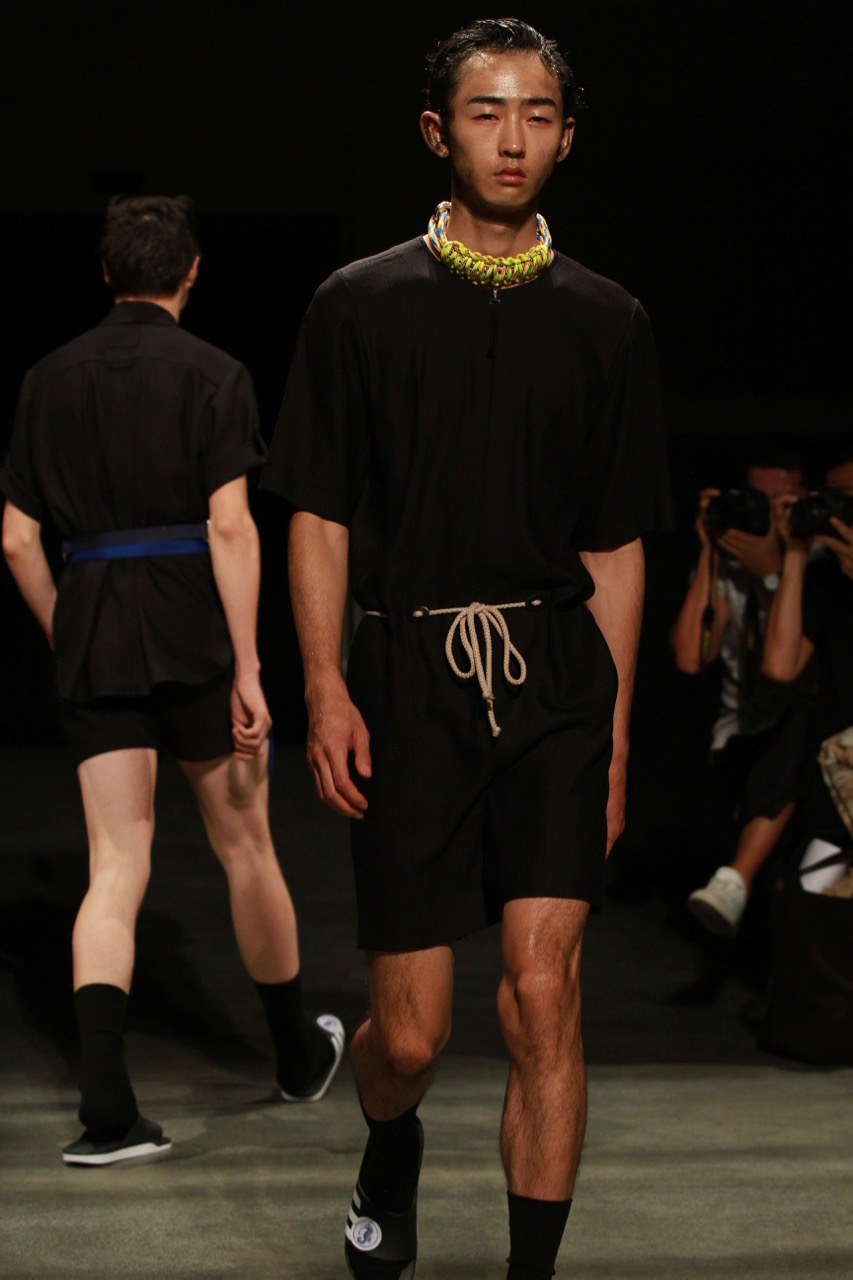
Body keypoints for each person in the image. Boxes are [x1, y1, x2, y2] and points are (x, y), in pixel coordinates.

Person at [262, 19, 671, 1280]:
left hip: (556, 677)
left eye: (538, 114)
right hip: (408, 677)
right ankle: (389, 1143)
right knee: (411, 1035)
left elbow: (615, 543)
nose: (513, 138)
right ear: (438, 131)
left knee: (545, 990)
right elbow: (317, 508)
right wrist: (325, 684)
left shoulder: (607, 319)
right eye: (488, 112)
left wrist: (613, 739)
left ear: (566, 135)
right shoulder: (360, 302)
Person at [0, 196, 344, 1167]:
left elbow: (17, 538)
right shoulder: (215, 372)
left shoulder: (46, 377)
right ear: (191, 273)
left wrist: (69, 629)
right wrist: (249, 665)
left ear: (107, 275)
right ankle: (295, 1058)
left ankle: (107, 1113)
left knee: (116, 866)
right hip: (194, 627)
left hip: (97, 628)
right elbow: (231, 525)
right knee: (246, 846)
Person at [669, 452, 815, 936]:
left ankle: (737, 880)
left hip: (802, 735)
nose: (766, 512)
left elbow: (785, 669)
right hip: (739, 736)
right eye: (756, 499)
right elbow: (690, 656)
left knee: (796, 729)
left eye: (781, 502)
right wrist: (709, 549)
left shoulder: (818, 561)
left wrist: (778, 568)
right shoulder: (728, 569)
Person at [763, 454, 853, 841]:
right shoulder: (823, 576)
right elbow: (780, 666)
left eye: (845, 498)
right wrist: (796, 554)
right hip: (838, 771)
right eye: (828, 497)